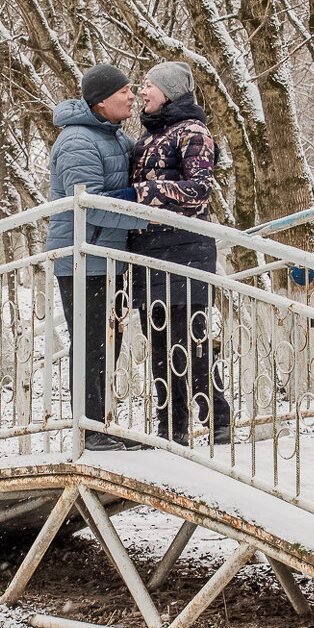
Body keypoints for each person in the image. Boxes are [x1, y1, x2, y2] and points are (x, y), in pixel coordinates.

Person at [109, 61, 231, 446]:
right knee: (159, 345)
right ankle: (171, 429)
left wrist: (140, 196)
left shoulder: (193, 132)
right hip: (147, 252)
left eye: (149, 85)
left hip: (186, 251)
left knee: (188, 341)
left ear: (170, 91)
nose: (143, 91)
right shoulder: (146, 138)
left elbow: (199, 190)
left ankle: (216, 416)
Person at [47, 63, 149, 452]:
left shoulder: (115, 137)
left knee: (112, 341)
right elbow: (84, 204)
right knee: (91, 341)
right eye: (124, 91)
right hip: (82, 256)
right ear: (101, 100)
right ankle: (89, 428)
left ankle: (102, 420)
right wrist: (142, 211)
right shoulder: (77, 141)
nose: (132, 96)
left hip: (112, 256)